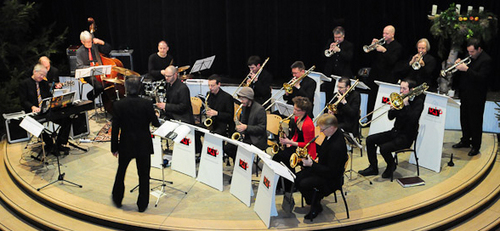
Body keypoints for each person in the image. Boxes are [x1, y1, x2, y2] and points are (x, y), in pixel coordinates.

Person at [111, 76, 161, 212]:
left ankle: (117, 198)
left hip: (126, 144)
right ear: (140, 88)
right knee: (144, 175)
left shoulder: (118, 105)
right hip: (143, 144)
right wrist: (155, 115)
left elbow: (115, 129)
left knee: (121, 172)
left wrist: (114, 148)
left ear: (126, 88)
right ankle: (142, 205)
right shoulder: (147, 103)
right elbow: (156, 123)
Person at [359, 79, 424, 178]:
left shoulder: (418, 102)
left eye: (404, 88)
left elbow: (412, 120)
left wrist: (406, 106)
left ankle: (391, 166)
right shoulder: (400, 99)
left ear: (412, 89)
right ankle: (373, 168)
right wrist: (392, 109)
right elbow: (390, 117)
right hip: (395, 132)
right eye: (400, 88)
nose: (401, 91)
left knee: (384, 148)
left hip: (406, 137)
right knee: (370, 140)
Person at [295, 114, 348, 221]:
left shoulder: (336, 146)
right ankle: (313, 200)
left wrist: (312, 165)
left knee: (303, 183)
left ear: (332, 128)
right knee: (297, 177)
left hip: (331, 179)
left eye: (323, 129)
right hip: (323, 168)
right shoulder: (332, 135)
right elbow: (324, 152)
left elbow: (331, 172)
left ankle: (316, 205)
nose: (321, 132)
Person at [19, 64, 72, 155]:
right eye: (41, 75)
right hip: (33, 112)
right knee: (36, 125)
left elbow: (49, 96)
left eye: (44, 75)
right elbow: (23, 101)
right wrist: (32, 107)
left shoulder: (44, 83)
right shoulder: (24, 84)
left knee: (67, 119)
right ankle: (50, 144)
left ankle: (59, 143)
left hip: (45, 110)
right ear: (35, 72)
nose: (42, 77)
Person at [451, 38, 492, 156]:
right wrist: (458, 66)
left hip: (477, 96)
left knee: (475, 121)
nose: (470, 54)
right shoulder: (470, 57)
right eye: (469, 52)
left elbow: (482, 78)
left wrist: (467, 69)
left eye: (472, 52)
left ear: (479, 49)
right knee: (464, 119)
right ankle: (465, 140)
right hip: (465, 94)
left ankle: (475, 145)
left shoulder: (486, 60)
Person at [272, 96, 316, 190]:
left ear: (303, 111)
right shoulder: (297, 118)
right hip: (297, 146)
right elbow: (296, 135)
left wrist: (290, 142)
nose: (294, 111)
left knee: (285, 157)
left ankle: (289, 185)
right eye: (294, 108)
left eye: (296, 110)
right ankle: (279, 184)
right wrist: (289, 141)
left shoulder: (308, 124)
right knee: (277, 156)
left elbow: (307, 144)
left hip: (306, 151)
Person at [366, 25, 402, 119]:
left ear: (392, 34)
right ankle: (369, 118)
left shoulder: (397, 47)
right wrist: (372, 47)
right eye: (383, 33)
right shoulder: (381, 43)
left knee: (382, 100)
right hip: (375, 76)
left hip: (386, 77)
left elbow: (392, 61)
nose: (384, 35)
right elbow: (371, 58)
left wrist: (384, 51)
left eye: (387, 33)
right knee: (371, 98)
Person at [225, 87, 267, 162]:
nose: (241, 101)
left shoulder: (259, 109)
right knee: (228, 148)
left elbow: (262, 128)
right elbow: (243, 121)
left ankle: (242, 165)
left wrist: (246, 127)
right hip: (246, 135)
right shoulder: (244, 107)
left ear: (249, 98)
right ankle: (238, 163)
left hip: (256, 138)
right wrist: (241, 129)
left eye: (243, 99)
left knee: (240, 149)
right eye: (240, 99)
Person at [75, 30, 112, 100]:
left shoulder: (95, 46)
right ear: (82, 42)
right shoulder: (79, 52)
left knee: (108, 84)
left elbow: (108, 50)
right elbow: (79, 66)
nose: (90, 43)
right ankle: (90, 96)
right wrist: (91, 67)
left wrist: (101, 42)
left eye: (90, 41)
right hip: (88, 74)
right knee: (99, 87)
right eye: (87, 42)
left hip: (100, 72)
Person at [322, 26, 354, 105]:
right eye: (335, 37)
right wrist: (329, 50)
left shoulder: (349, 45)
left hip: (342, 75)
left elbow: (349, 57)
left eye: (339, 37)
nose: (337, 39)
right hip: (330, 74)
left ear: (343, 36)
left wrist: (339, 50)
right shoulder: (330, 42)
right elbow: (324, 56)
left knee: (339, 96)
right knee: (328, 96)